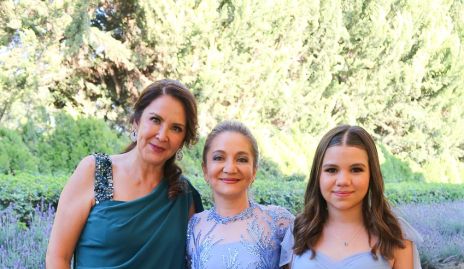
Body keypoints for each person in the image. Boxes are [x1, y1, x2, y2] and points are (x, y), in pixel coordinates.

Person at [46, 79, 203, 269]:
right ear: (136, 121)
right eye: (155, 120)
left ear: (183, 140)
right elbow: (58, 258)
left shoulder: (183, 195)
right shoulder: (96, 172)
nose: (162, 135)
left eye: (176, 128)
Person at [280, 125, 422, 269]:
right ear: (318, 175)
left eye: (356, 170)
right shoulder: (297, 231)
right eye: (331, 170)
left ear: (371, 174)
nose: (343, 181)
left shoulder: (394, 234)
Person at [186, 121, 294, 269]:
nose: (230, 168)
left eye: (242, 159)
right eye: (219, 157)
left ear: (254, 170)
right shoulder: (194, 226)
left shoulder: (279, 222)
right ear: (205, 169)